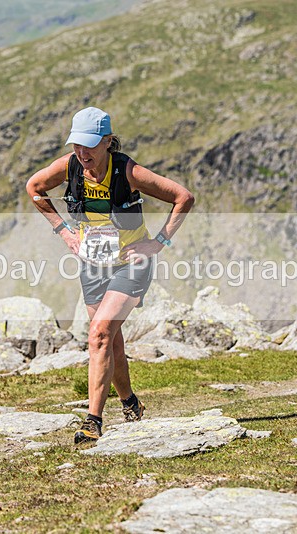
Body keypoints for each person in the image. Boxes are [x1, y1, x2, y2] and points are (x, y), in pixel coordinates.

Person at [25, 107, 195, 443]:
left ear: (107, 141)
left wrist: (157, 243)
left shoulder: (128, 171)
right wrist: (63, 231)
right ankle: (130, 402)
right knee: (110, 339)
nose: (82, 152)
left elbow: (183, 198)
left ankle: (93, 421)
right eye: (77, 144)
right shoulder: (69, 166)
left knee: (100, 332)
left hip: (131, 263)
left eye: (89, 144)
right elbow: (34, 188)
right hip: (93, 264)